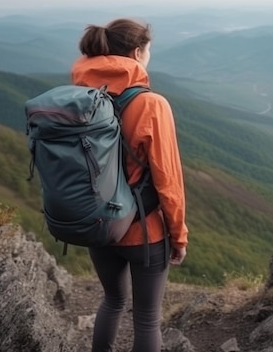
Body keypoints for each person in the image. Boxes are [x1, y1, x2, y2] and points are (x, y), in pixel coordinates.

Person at [71, 18, 188, 352]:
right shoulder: (151, 105)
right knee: (148, 319)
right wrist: (178, 236)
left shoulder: (78, 98)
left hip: (98, 225)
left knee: (112, 301)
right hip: (144, 230)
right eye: (149, 49)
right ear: (138, 52)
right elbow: (169, 181)